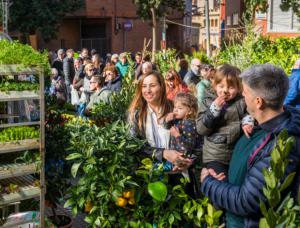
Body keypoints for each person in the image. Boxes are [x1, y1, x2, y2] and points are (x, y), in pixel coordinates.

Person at [200, 63, 300, 228]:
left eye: (245, 93)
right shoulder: (264, 124)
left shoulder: (282, 144)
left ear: (259, 102)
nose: (242, 97)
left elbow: (246, 201)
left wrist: (208, 182)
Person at [128, 71, 193, 172]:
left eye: (152, 85)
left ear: (162, 87)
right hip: (149, 174)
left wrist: (188, 160)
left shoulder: (175, 109)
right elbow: (133, 146)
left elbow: (191, 137)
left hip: (177, 172)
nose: (147, 90)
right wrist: (163, 153)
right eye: (144, 86)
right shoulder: (136, 115)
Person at [196, 64, 254, 178]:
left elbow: (250, 112)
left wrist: (247, 121)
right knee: (220, 181)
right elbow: (201, 129)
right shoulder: (208, 102)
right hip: (216, 155)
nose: (225, 91)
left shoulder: (242, 101)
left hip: (236, 153)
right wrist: (213, 111)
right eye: (221, 86)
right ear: (215, 85)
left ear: (238, 88)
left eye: (231, 87)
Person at [161, 92, 199, 175]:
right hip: (174, 156)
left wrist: (177, 135)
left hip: (182, 159)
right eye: (175, 107)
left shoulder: (190, 124)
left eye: (180, 108)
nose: (175, 110)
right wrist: (167, 120)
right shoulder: (177, 120)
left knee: (161, 170)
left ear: (189, 111)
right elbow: (166, 127)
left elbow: (189, 146)